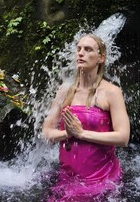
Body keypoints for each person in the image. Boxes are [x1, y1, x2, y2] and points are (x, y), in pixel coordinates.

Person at [42, 34, 130, 201]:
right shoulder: (64, 91)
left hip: (102, 181)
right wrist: (66, 134)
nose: (81, 53)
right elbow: (46, 132)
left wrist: (81, 134)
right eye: (79, 49)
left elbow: (123, 137)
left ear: (101, 58)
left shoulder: (112, 92)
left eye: (88, 49)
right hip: (67, 179)